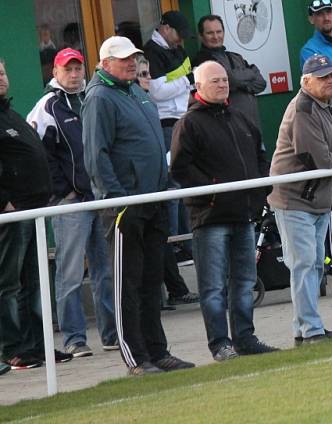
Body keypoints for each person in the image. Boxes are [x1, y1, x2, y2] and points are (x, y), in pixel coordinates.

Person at [82, 36, 194, 375]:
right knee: (126, 284)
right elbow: (96, 156)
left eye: (133, 57)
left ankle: (157, 351)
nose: (131, 63)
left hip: (153, 199)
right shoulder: (100, 97)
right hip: (125, 207)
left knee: (150, 282)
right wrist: (118, 203)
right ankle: (135, 357)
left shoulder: (134, 92)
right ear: (104, 63)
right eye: (123, 59)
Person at [170, 61, 277, 361]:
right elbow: (180, 168)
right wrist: (213, 190)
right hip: (210, 218)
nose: (222, 84)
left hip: (244, 214)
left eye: (224, 79)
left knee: (244, 282)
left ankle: (245, 338)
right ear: (198, 87)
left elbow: (260, 157)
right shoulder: (188, 124)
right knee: (213, 286)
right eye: (214, 80)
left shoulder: (241, 119)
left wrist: (260, 190)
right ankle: (220, 344)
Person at [26, 48, 117, 358]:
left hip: (99, 199)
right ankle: (74, 339)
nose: (75, 74)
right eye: (69, 69)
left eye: (78, 68)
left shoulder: (93, 99)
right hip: (71, 204)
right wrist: (61, 193)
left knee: (106, 271)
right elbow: (38, 157)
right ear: (55, 71)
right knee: (70, 273)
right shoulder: (47, 107)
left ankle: (111, 333)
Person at [268, 54, 332, 345]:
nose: (331, 80)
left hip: (321, 197)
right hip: (295, 198)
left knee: (314, 265)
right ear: (306, 81)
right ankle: (310, 330)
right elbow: (319, 160)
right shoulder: (301, 109)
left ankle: (304, 328)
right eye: (323, 77)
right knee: (305, 264)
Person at [0, 59, 72, 370]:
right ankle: (14, 349)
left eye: (2, 72)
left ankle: (38, 345)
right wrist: (5, 202)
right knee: (10, 283)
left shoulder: (10, 114)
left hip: (34, 211)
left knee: (33, 281)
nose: (1, 78)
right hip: (13, 215)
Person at [142, 10, 198, 306]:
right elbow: (158, 92)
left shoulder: (175, 50)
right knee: (172, 189)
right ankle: (177, 244)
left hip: (181, 119)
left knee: (184, 185)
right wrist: (185, 80)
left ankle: (185, 243)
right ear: (164, 28)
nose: (180, 39)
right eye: (176, 32)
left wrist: (183, 82)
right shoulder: (150, 52)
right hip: (165, 124)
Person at [194, 14, 267, 130]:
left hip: (253, 127)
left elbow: (262, 83)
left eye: (219, 32)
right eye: (210, 33)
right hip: (228, 128)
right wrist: (247, 76)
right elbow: (232, 79)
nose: (216, 36)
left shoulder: (236, 57)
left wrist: (240, 83)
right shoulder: (202, 61)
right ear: (201, 36)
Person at [300, 0, 332, 87]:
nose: (326, 18)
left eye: (329, 12)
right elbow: (322, 84)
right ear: (311, 19)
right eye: (320, 14)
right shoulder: (309, 51)